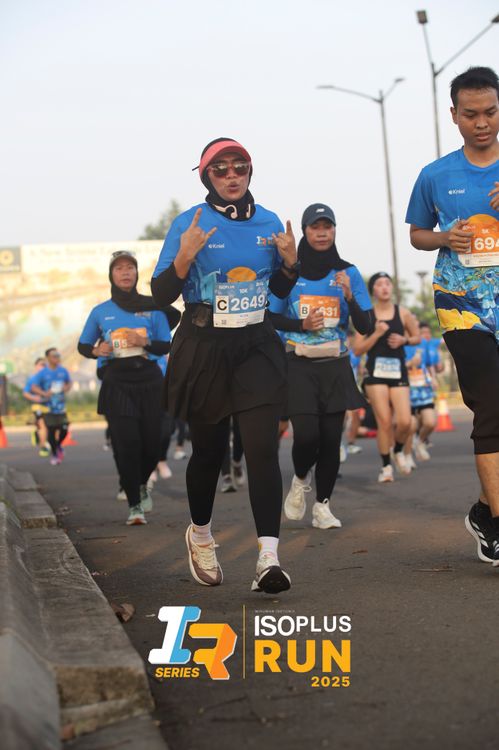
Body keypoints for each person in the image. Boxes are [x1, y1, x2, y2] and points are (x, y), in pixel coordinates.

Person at [151, 137, 299, 593]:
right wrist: (184, 257)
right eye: (221, 169)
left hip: (256, 344)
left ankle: (269, 559)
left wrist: (290, 265)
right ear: (206, 176)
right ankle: (200, 535)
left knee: (261, 449)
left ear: (250, 172)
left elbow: (278, 288)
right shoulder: (189, 223)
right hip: (205, 346)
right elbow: (160, 294)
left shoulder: (270, 221)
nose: (232, 176)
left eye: (240, 167)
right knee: (209, 453)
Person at [406, 65, 499, 564]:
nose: (481, 123)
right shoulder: (436, 175)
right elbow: (418, 234)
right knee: (491, 405)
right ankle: (498, 525)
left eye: (490, 112)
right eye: (471, 114)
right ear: (454, 116)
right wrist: (445, 237)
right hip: (461, 304)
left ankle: (484, 509)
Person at [269, 203, 373, 528]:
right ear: (305, 231)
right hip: (298, 363)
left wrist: (350, 297)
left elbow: (367, 325)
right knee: (306, 436)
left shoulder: (348, 273)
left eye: (328, 226)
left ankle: (322, 506)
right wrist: (301, 325)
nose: (322, 232)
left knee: (330, 440)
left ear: (335, 230)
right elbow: (269, 317)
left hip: (335, 364)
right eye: (315, 227)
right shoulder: (290, 272)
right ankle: (301, 479)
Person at [78, 251, 171, 525]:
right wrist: (97, 350)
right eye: (119, 268)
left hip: (150, 380)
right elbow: (83, 345)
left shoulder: (153, 307)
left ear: (136, 273)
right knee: (127, 443)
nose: (125, 272)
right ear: (111, 275)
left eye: (130, 267)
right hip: (117, 382)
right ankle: (134, 505)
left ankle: (141, 484)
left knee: (154, 443)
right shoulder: (101, 311)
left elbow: (165, 344)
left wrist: (143, 342)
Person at [353, 273, 420, 482]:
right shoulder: (366, 315)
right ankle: (386, 467)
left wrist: (404, 340)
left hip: (398, 371)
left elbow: (417, 337)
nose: (384, 287)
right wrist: (376, 334)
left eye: (387, 284)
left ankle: (398, 449)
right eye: (379, 284)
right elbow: (357, 349)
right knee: (384, 422)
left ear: (392, 288)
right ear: (372, 290)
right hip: (375, 374)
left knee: (405, 422)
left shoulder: (403, 313)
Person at [30, 348, 72, 465]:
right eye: (54, 355)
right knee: (51, 431)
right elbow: (33, 387)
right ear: (48, 358)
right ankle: (54, 454)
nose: (57, 357)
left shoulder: (63, 371)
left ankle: (58, 446)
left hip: (61, 407)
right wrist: (44, 393)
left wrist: (66, 387)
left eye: (58, 355)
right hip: (48, 408)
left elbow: (69, 382)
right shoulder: (42, 373)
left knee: (64, 429)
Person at [23, 357, 50, 457]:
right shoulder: (32, 378)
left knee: (49, 426)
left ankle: (36, 434)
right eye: (41, 365)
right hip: (37, 405)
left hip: (50, 405)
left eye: (45, 365)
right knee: (42, 425)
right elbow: (25, 393)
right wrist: (34, 398)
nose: (43, 367)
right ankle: (43, 447)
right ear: (36, 366)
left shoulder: (49, 377)